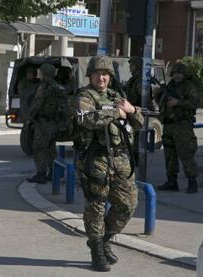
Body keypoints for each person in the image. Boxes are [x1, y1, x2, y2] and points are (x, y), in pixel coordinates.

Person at [73, 55, 144, 272]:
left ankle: (104, 239)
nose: (101, 77)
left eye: (105, 74)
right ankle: (96, 251)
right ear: (91, 76)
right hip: (97, 159)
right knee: (96, 206)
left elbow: (139, 123)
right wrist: (115, 112)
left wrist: (132, 111)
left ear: (110, 77)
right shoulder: (85, 96)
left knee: (127, 205)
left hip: (121, 159)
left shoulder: (117, 96)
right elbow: (85, 117)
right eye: (97, 73)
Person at [156, 62, 199, 193]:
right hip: (169, 125)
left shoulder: (189, 86)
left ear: (184, 74)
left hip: (182, 125)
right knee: (170, 155)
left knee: (186, 154)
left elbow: (195, 103)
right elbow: (163, 103)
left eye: (179, 73)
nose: (177, 76)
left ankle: (192, 182)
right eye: (175, 74)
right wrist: (158, 94)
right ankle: (172, 181)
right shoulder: (170, 86)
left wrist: (178, 102)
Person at [26, 63, 69, 184]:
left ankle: (41, 174)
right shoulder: (59, 87)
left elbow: (36, 104)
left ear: (45, 74)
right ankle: (53, 173)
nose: (39, 75)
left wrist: (29, 118)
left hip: (43, 123)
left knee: (39, 148)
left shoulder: (43, 87)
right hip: (55, 123)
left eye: (41, 73)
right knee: (51, 149)